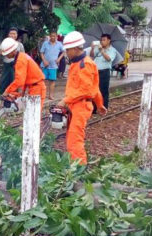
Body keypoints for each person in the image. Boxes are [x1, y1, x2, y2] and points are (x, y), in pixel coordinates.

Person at [57, 31, 107, 165]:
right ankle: (74, 165)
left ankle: (79, 170)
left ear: (75, 48)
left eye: (67, 50)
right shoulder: (76, 63)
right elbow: (95, 88)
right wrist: (100, 104)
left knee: (74, 139)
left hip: (80, 106)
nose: (66, 53)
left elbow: (86, 90)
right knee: (71, 137)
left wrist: (65, 100)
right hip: (75, 105)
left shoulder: (85, 65)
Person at [0, 37, 46, 108]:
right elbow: (24, 79)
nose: (6, 55)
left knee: (34, 114)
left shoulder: (20, 60)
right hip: (35, 87)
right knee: (31, 114)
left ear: (12, 51)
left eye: (6, 54)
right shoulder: (21, 57)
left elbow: (19, 80)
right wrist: (19, 94)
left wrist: (7, 91)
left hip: (37, 88)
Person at [89, 33, 116, 109]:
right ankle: (94, 108)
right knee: (94, 89)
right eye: (101, 40)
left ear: (109, 41)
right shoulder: (99, 48)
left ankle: (104, 107)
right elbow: (92, 55)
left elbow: (109, 59)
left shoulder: (112, 50)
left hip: (105, 72)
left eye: (104, 40)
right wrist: (92, 48)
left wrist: (102, 51)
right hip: (95, 72)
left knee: (103, 90)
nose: (102, 42)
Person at [40, 31, 65, 100]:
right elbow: (41, 53)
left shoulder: (59, 44)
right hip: (45, 65)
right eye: (51, 36)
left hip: (54, 65)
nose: (53, 37)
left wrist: (59, 59)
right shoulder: (45, 43)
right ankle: (43, 94)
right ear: (49, 36)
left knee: (52, 81)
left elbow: (64, 52)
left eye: (54, 36)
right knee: (43, 80)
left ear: (56, 37)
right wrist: (44, 60)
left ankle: (50, 95)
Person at [0, 27, 25, 94]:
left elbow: (23, 56)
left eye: (14, 34)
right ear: (8, 34)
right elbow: (0, 52)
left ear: (17, 35)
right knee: (3, 83)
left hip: (16, 66)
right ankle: (2, 98)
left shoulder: (20, 45)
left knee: (14, 83)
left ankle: (13, 99)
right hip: (6, 66)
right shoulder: (5, 43)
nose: (13, 35)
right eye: (11, 33)